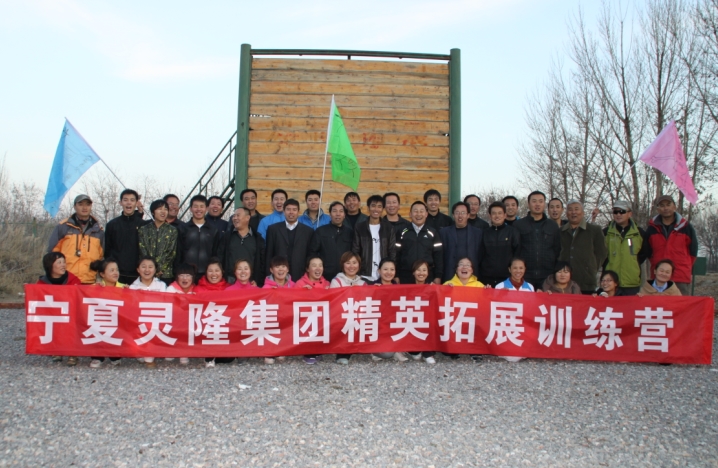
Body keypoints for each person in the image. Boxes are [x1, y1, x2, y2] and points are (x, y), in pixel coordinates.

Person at [645, 195, 698, 296]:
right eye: (662, 205)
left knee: (681, 304)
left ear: (674, 206)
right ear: (658, 209)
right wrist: (658, 265)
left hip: (680, 276)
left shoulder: (686, 227)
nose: (665, 208)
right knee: (658, 305)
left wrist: (684, 265)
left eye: (668, 205)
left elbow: (693, 251)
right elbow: (648, 251)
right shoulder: (652, 228)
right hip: (659, 277)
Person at [47, 194, 104, 284]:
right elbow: (52, 253)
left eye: (87, 204)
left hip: (89, 281)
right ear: (74, 206)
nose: (84, 207)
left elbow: (102, 256)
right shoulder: (63, 227)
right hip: (66, 280)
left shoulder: (99, 231)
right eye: (80, 204)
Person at [37, 252, 81, 366]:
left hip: (70, 312)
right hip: (53, 312)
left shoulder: (73, 280)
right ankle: (56, 350)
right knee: (53, 326)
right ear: (50, 265)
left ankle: (72, 353)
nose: (63, 265)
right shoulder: (41, 283)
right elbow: (36, 298)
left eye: (64, 262)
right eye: (59, 262)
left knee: (72, 328)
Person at [514, 191, 561, 291]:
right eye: (534, 201)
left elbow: (557, 249)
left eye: (540, 201)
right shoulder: (519, 225)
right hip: (524, 275)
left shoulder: (552, 225)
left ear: (544, 204)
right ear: (528, 204)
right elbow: (515, 250)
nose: (537, 204)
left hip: (547, 275)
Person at [558, 200, 607, 294]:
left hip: (586, 281)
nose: (573, 212)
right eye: (570, 209)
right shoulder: (561, 231)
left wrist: (591, 267)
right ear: (566, 213)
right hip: (564, 282)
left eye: (576, 209)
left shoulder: (594, 230)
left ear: (583, 212)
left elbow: (602, 253)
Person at [366, 258, 409, 363]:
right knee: (387, 354)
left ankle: (397, 349)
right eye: (385, 269)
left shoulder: (399, 288)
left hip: (394, 326)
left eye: (392, 269)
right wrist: (372, 292)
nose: (389, 272)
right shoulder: (371, 286)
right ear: (379, 271)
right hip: (378, 329)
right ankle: (376, 351)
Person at [603, 200, 649, 295]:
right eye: (615, 212)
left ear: (629, 214)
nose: (618, 214)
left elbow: (645, 252)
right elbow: (600, 253)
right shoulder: (606, 232)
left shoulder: (639, 233)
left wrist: (633, 262)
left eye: (622, 211)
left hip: (631, 282)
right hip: (610, 282)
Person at [129, 256, 167, 368]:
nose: (147, 270)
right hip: (139, 320)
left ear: (155, 270)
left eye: (150, 267)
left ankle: (149, 355)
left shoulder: (161, 285)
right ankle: (143, 353)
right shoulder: (132, 287)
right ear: (138, 269)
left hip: (158, 318)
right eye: (143, 267)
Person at [88, 258, 125, 369]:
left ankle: (115, 356)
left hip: (116, 322)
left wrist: (129, 293)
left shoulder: (124, 288)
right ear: (102, 274)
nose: (115, 272)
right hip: (100, 321)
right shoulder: (95, 287)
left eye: (117, 270)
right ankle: (97, 356)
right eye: (111, 270)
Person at [265, 199, 314, 282]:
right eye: (288, 209)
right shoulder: (273, 229)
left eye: (294, 209)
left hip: (300, 275)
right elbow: (269, 254)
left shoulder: (308, 231)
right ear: (284, 211)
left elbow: (310, 255)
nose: (291, 212)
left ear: (298, 211)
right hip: (278, 275)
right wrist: (268, 276)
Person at [104, 189, 146, 284]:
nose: (129, 203)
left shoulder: (143, 225)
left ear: (136, 203)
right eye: (125, 200)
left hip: (138, 274)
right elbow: (107, 250)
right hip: (117, 274)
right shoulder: (112, 225)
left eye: (132, 200)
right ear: (120, 202)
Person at [395, 201, 444, 285]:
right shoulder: (402, 232)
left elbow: (438, 256)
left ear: (426, 214)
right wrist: (396, 275)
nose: (418, 214)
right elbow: (396, 254)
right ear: (410, 214)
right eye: (415, 211)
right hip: (405, 276)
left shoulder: (433, 232)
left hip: (427, 276)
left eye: (421, 211)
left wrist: (438, 276)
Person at [331, 252, 366, 365]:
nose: (351, 266)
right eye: (348, 263)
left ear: (359, 265)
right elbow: (334, 303)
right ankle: (343, 352)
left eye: (354, 263)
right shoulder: (336, 281)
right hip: (342, 316)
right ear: (343, 265)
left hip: (359, 316)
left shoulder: (363, 283)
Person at [494, 257, 532, 362]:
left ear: (525, 269)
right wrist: (499, 296)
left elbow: (532, 309)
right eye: (515, 268)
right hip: (506, 325)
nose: (518, 271)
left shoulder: (530, 287)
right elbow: (493, 308)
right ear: (509, 269)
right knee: (511, 356)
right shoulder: (500, 286)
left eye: (521, 268)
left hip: (523, 325)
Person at [194, 258, 230, 368]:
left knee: (229, 358)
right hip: (204, 327)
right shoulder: (197, 290)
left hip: (224, 327)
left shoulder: (229, 289)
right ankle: (209, 355)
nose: (214, 274)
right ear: (205, 272)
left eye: (217, 270)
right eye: (210, 271)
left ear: (222, 272)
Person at [294, 256, 330, 365]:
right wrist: (301, 293)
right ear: (307, 269)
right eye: (314, 266)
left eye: (320, 265)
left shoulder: (327, 284)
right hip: (306, 322)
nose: (318, 268)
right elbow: (292, 304)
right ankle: (308, 351)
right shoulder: (300, 284)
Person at [353, 195, 396, 281]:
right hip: (364, 274)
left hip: (384, 275)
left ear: (383, 209)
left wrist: (391, 270)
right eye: (373, 206)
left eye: (379, 206)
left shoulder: (389, 228)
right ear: (368, 208)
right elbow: (355, 251)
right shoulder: (360, 227)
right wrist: (357, 272)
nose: (376, 209)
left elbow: (392, 251)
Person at [176, 195, 222, 276]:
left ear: (206, 208)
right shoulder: (183, 228)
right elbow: (178, 252)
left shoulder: (213, 230)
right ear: (191, 209)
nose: (199, 209)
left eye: (201, 206)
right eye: (195, 206)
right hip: (187, 273)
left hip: (207, 274)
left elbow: (216, 254)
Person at [218, 207, 265, 285]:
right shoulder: (227, 237)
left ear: (247, 218)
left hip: (251, 282)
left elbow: (262, 262)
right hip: (229, 281)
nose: (235, 218)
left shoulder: (257, 238)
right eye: (234, 216)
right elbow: (219, 258)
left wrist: (258, 281)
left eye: (238, 215)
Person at [309, 201, 354, 281]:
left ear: (344, 215)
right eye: (334, 211)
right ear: (330, 214)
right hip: (324, 276)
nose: (338, 214)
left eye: (341, 211)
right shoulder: (321, 231)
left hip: (345, 275)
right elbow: (312, 252)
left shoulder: (350, 232)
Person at [479, 201, 520, 287]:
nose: (497, 216)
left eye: (500, 213)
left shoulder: (512, 232)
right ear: (489, 215)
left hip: (507, 278)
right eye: (494, 213)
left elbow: (517, 254)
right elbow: (480, 255)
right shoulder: (484, 233)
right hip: (487, 278)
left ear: (505, 215)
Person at [138, 199, 178, 286]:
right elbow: (142, 250)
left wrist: (160, 269)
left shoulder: (172, 230)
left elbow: (171, 252)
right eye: (160, 209)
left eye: (165, 209)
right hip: (147, 272)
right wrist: (150, 267)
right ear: (153, 212)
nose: (163, 212)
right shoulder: (144, 230)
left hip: (165, 273)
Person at [440, 201, 483, 283]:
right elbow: (440, 256)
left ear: (468, 215)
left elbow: (480, 255)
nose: (460, 216)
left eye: (463, 213)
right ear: (453, 215)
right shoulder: (444, 232)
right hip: (449, 276)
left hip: (471, 277)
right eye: (457, 213)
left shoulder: (478, 233)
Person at [262, 256, 293, 365]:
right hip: (272, 320)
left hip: (288, 320)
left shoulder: (294, 286)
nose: (280, 269)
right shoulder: (266, 287)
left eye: (283, 266)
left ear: (288, 269)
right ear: (271, 270)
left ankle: (282, 348)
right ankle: (269, 352)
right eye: (277, 267)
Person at [407, 260, 437, 364]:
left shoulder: (432, 287)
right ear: (413, 272)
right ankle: (414, 350)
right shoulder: (406, 288)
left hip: (427, 320)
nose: (421, 273)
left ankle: (428, 353)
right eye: (418, 270)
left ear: (428, 273)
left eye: (424, 270)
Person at [165, 263, 196, 365]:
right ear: (177, 277)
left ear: (193, 277)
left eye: (188, 275)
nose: (185, 278)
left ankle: (183, 352)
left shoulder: (196, 290)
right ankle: (171, 350)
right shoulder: (171, 289)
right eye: (181, 275)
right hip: (173, 319)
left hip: (190, 322)